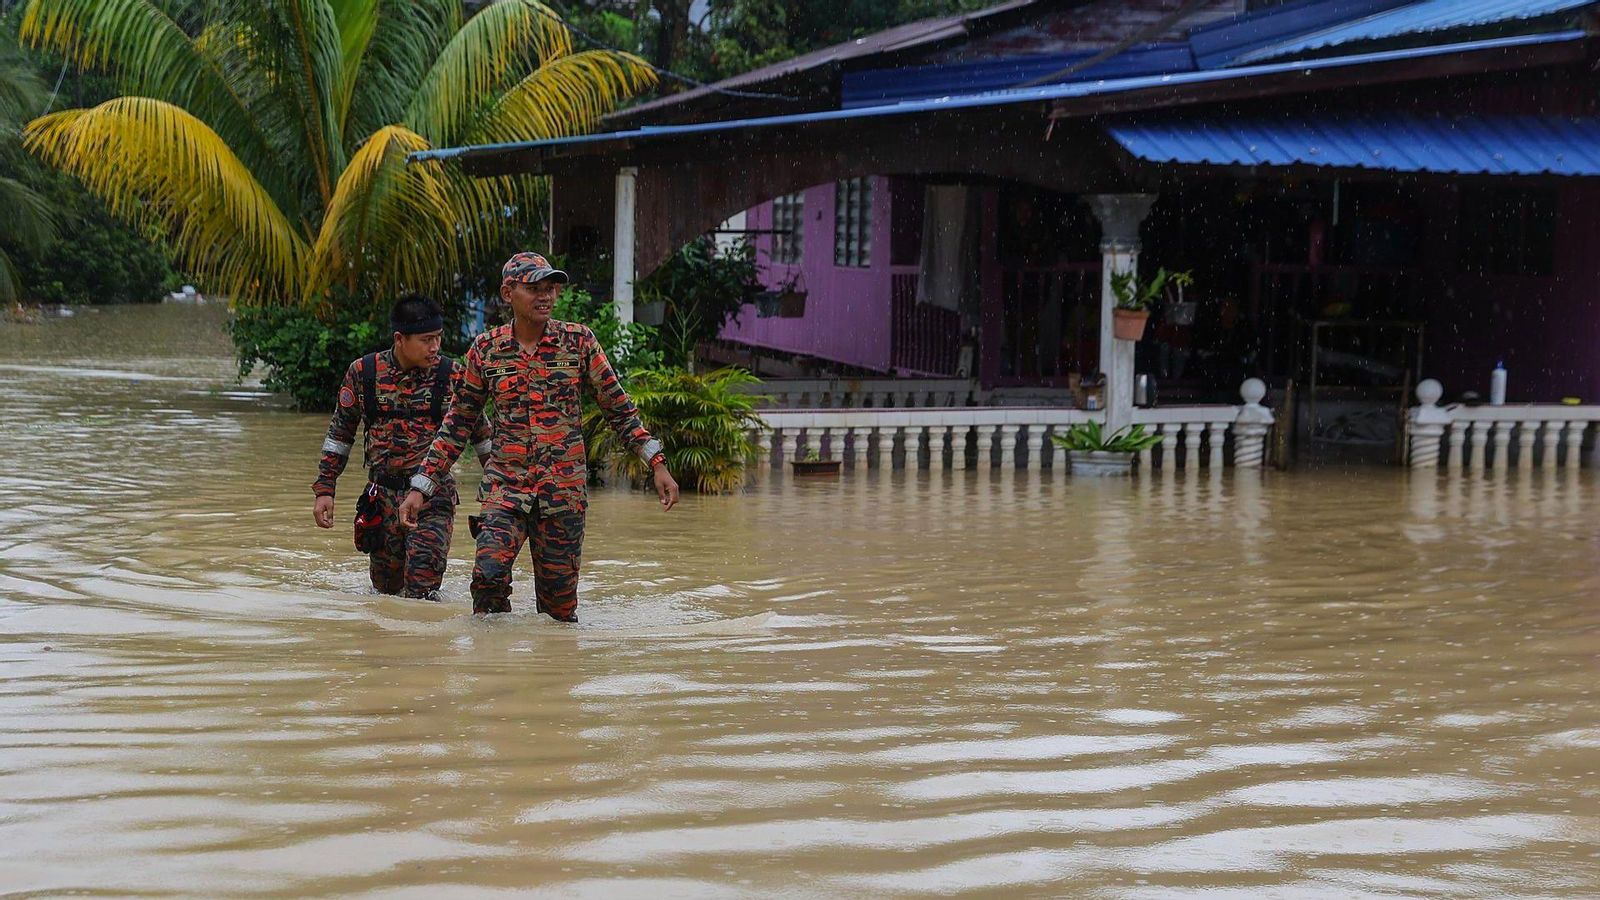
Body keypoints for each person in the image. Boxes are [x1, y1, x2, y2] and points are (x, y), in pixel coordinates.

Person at [399, 252, 679, 622]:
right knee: (487, 577)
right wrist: (422, 486)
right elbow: (457, 425)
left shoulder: (578, 342)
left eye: (550, 288)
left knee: (558, 611)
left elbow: (618, 409)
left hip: (562, 492)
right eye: (534, 289)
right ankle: (493, 667)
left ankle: (551, 673)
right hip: (505, 489)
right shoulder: (486, 350)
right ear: (508, 292)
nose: (545, 296)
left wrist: (655, 462)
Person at [312, 294, 490, 601]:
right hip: (381, 499)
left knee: (422, 590)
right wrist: (325, 489)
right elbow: (340, 434)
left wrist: (499, 489)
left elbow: (484, 437)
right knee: (386, 595)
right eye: (426, 340)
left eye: (438, 338)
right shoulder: (364, 373)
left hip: (433, 499)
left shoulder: (453, 376)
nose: (435, 347)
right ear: (400, 339)